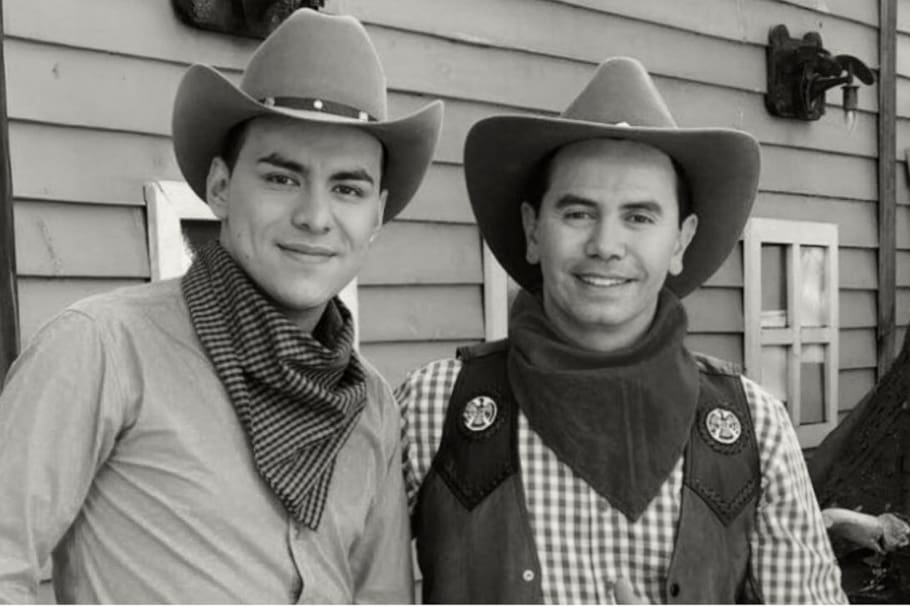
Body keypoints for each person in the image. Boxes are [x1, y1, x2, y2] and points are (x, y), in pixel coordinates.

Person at [0, 9, 442, 603]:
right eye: (282, 178)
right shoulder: (103, 349)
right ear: (220, 187)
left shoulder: (371, 408)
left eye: (347, 188)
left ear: (377, 216)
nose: (315, 216)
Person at [397, 57, 846, 603]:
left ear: (680, 241)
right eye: (578, 213)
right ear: (533, 230)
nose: (606, 245)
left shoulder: (757, 429)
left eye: (639, 217)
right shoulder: (432, 407)